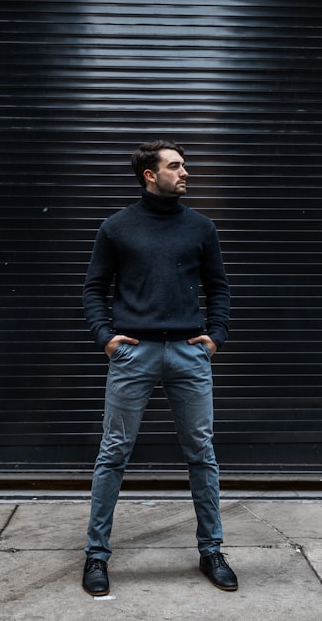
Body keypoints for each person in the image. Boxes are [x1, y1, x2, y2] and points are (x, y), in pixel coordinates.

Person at [80, 140, 236, 596]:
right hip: (134, 354)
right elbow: (93, 288)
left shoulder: (201, 227)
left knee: (201, 454)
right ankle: (96, 555)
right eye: (176, 166)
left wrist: (216, 336)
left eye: (184, 165)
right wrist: (107, 339)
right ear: (150, 174)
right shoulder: (116, 228)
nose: (185, 172)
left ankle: (212, 551)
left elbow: (219, 287)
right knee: (113, 453)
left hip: (189, 355)